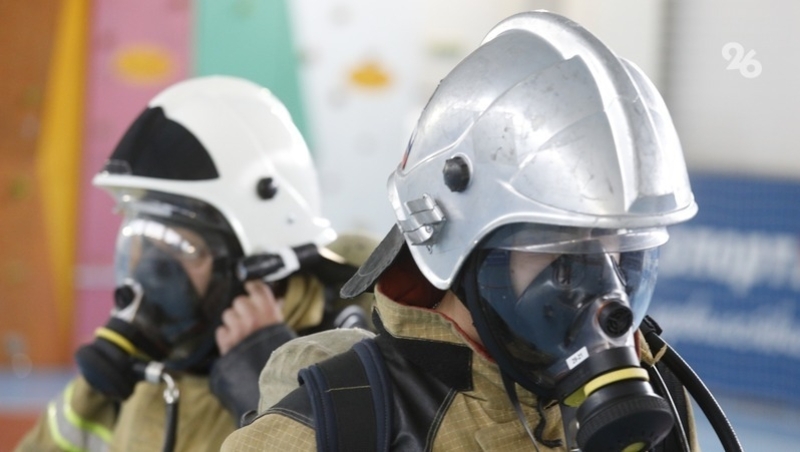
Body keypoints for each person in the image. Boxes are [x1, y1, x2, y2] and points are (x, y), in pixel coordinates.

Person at [221, 11, 714, 452]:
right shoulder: (337, 424)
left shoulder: (657, 398)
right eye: (562, 256)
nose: (606, 292)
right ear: (463, 246)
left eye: (623, 253)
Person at [15, 75, 377, 452]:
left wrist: (274, 398)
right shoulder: (129, 374)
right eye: (142, 240)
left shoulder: (347, 362)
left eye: (183, 248)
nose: (151, 270)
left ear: (260, 268)